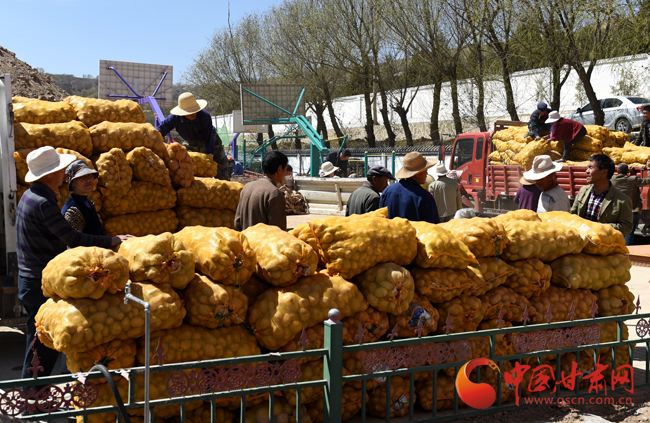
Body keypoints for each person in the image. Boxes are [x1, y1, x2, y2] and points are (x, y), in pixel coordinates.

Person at [16, 147, 128, 380]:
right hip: (38, 280)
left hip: (30, 277)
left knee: (38, 338)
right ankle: (35, 398)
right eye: (60, 170)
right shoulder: (44, 203)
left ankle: (36, 394)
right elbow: (72, 238)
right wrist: (111, 241)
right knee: (44, 341)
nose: (63, 174)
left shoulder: (31, 195)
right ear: (49, 175)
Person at [156, 92, 229, 180]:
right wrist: (155, 140)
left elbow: (209, 137)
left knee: (221, 167)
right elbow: (161, 130)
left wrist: (210, 155)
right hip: (191, 143)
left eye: (195, 110)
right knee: (190, 168)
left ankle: (225, 185)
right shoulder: (174, 118)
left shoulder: (205, 116)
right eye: (190, 111)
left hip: (211, 142)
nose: (193, 113)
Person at [571, 154, 634, 236]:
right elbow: (573, 216)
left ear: (604, 172)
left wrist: (602, 227)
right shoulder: (583, 191)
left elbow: (627, 227)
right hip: (581, 244)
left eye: (590, 168)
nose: (587, 171)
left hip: (604, 246)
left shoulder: (622, 200)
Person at [379, 152, 440, 223]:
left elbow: (380, 220)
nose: (427, 173)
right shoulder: (424, 197)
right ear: (417, 174)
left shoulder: (387, 191)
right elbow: (433, 228)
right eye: (425, 170)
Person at [235, 151, 289, 231]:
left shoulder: (246, 187)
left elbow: (237, 223)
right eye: (286, 169)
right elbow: (278, 232)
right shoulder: (274, 193)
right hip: (263, 243)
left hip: (245, 241)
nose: (286, 173)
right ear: (279, 169)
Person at [610, 163, 650, 245]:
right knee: (629, 233)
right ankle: (628, 253)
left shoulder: (612, 179)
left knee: (617, 232)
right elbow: (648, 180)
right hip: (631, 210)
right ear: (627, 170)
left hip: (616, 210)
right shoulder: (633, 180)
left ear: (617, 170)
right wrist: (649, 169)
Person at [62, 160, 104, 235]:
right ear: (73, 184)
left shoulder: (89, 204)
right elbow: (74, 241)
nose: (88, 179)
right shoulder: (73, 211)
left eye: (89, 175)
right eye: (82, 177)